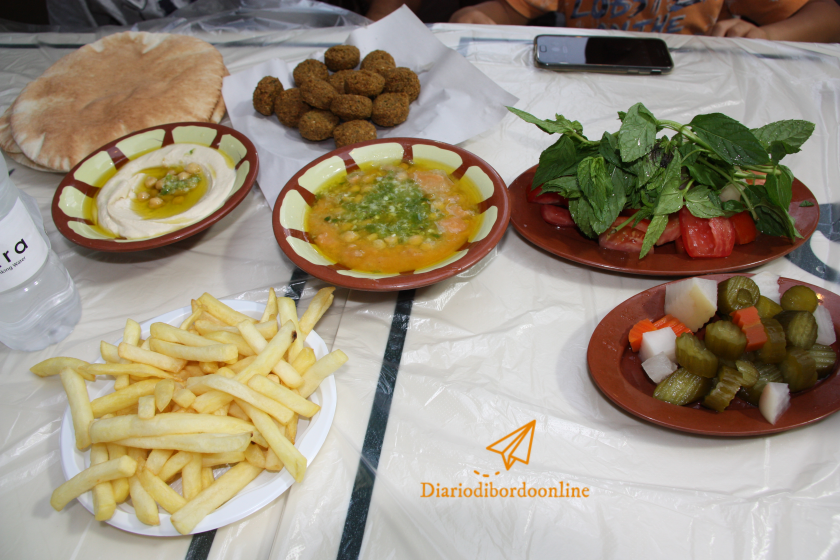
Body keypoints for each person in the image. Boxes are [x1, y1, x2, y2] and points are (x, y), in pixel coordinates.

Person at [449, 0, 840, 42]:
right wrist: (478, 19)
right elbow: (508, 12)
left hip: (690, 89)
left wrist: (771, 33)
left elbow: (828, 16)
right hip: (577, 83)